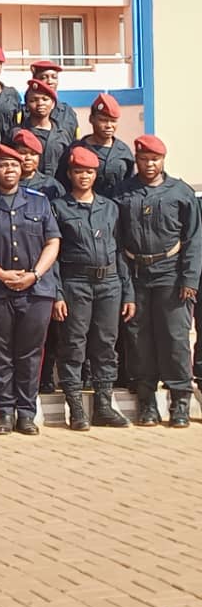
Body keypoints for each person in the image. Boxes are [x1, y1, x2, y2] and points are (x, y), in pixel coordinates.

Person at [0, 144, 61, 435]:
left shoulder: (39, 202)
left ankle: (26, 412)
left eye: (13, 165)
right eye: (2, 165)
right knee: (0, 354)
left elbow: (53, 242)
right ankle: (5, 412)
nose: (8, 170)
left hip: (36, 291)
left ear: (22, 169)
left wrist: (34, 275)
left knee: (30, 354)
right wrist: (2, 274)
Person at [114, 134, 201, 427]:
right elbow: (116, 241)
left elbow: (193, 239)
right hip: (136, 274)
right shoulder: (123, 194)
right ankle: (147, 401)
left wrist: (189, 278)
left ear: (163, 160)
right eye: (144, 159)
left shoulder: (180, 193)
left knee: (174, 337)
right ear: (136, 160)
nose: (149, 164)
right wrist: (124, 284)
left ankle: (180, 401)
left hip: (171, 274)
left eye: (155, 159)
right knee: (139, 339)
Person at [51, 146, 133, 430]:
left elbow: (120, 251)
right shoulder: (59, 207)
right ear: (70, 174)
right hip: (75, 283)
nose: (83, 176)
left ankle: (104, 405)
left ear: (96, 174)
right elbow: (54, 256)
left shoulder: (110, 208)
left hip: (110, 283)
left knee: (105, 345)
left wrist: (128, 292)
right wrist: (58, 294)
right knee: (74, 343)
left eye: (89, 171)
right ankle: (75, 408)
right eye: (78, 171)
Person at [57, 94, 134, 197]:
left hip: (115, 210)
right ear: (91, 119)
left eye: (113, 121)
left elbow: (130, 186)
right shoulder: (75, 150)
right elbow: (62, 183)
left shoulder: (124, 151)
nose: (109, 126)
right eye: (103, 120)